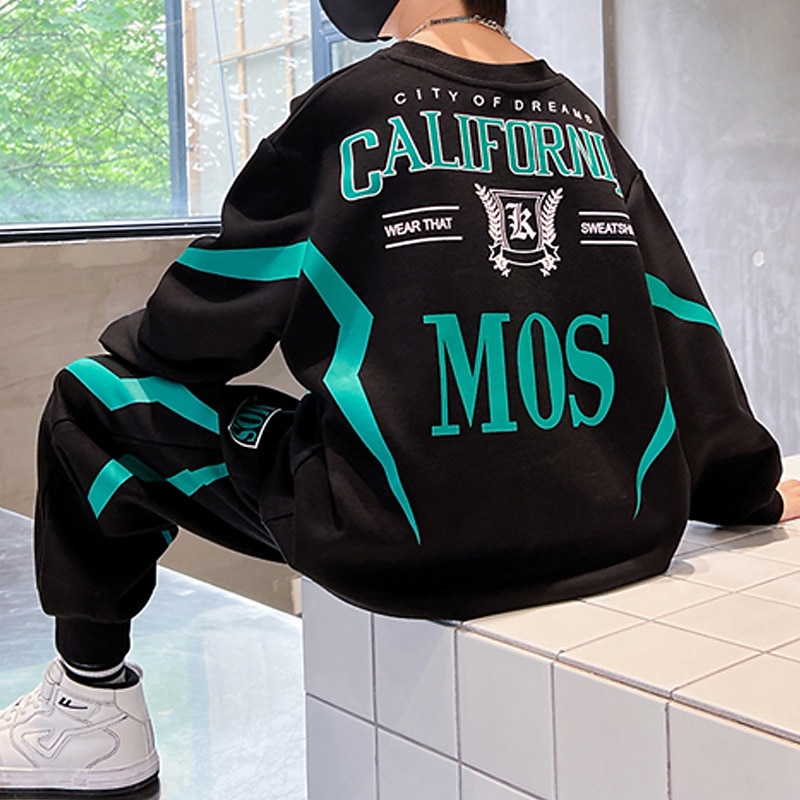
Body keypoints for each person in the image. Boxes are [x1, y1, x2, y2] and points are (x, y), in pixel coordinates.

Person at [3, 0, 800, 794]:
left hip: (403, 541)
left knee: (87, 400)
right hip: (619, 532)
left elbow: (208, 319)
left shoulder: (348, 110)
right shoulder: (583, 122)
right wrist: (748, 492)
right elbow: (680, 322)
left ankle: (89, 709)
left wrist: (144, 343)